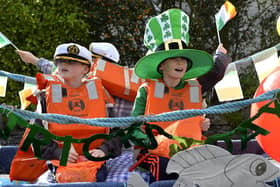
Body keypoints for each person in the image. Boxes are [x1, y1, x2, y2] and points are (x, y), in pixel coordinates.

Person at [131, 8, 231, 183]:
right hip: (154, 152)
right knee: (165, 167)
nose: (180, 62)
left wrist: (220, 56)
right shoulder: (146, 90)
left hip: (189, 149)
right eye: (174, 58)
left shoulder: (195, 88)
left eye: (183, 59)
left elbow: (215, 73)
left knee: (214, 165)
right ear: (161, 66)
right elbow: (131, 128)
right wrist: (151, 141)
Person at [10, 43, 123, 183]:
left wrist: (104, 150)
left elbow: (117, 133)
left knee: (95, 179)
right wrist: (58, 153)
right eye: (61, 61)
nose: (64, 64)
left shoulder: (102, 96)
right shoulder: (45, 97)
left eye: (72, 62)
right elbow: (36, 136)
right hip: (60, 164)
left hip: (95, 163)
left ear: (85, 68)